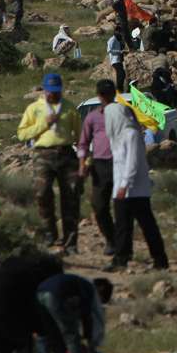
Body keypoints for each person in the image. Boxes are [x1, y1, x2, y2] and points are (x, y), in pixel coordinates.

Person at [106, 88, 168, 271]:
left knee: (147, 226)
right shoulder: (118, 135)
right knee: (123, 227)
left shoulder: (131, 134)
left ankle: (160, 260)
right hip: (123, 189)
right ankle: (121, 259)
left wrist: (124, 185)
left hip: (134, 190)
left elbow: (132, 163)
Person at [17, 73, 81, 253]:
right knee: (42, 193)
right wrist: (43, 125)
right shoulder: (34, 108)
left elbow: (80, 134)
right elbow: (22, 133)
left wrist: (84, 158)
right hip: (43, 154)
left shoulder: (69, 108)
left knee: (71, 196)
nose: (54, 95)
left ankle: (71, 241)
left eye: (57, 91)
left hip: (66, 153)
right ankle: (49, 235)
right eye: (51, 91)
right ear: (44, 90)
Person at [76, 81, 117, 249]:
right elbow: (83, 142)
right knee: (99, 205)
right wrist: (82, 165)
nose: (106, 98)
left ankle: (122, 243)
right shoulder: (92, 117)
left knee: (124, 206)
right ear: (99, 95)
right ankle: (111, 238)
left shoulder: (123, 112)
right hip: (100, 165)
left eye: (109, 94)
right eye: (103, 94)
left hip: (121, 163)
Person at [33, 274, 111, 353]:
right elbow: (87, 316)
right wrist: (89, 341)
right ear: (100, 288)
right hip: (56, 295)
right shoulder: (89, 289)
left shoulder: (79, 282)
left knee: (48, 334)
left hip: (40, 293)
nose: (98, 303)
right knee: (71, 338)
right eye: (100, 300)